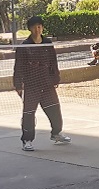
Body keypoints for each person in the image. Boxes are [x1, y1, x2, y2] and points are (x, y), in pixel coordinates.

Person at [13, 16, 71, 151]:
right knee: (29, 114)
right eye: (34, 27)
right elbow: (18, 66)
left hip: (47, 83)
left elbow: (53, 62)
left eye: (39, 26)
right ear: (30, 29)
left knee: (54, 110)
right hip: (31, 85)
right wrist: (18, 85)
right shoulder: (24, 46)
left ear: (42, 28)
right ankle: (27, 140)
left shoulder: (47, 43)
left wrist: (56, 78)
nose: (37, 29)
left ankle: (56, 134)